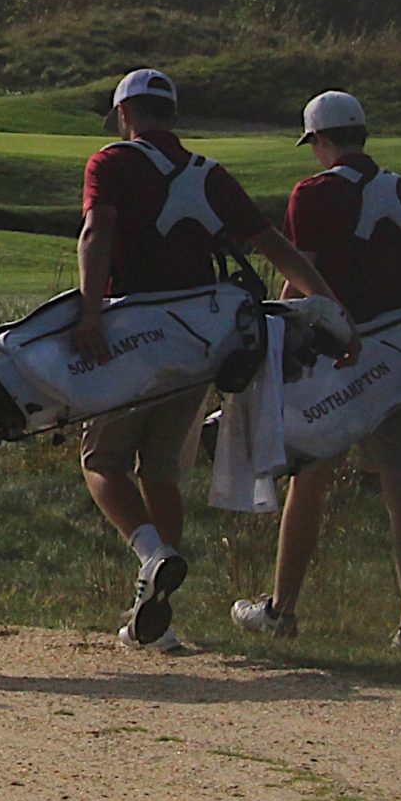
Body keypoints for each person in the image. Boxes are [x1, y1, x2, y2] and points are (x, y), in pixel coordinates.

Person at [77, 69, 344, 652]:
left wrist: (91, 312)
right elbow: (274, 245)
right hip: (200, 341)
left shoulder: (111, 163)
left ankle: (154, 555)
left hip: (132, 336)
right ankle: (159, 619)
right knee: (161, 472)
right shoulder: (208, 174)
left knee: (102, 462)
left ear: (125, 114)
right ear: (172, 116)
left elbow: (97, 233)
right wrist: (329, 306)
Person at [233, 91, 401, 651]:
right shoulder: (399, 189)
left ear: (322, 140)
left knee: (310, 483)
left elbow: (303, 275)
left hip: (334, 356)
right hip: (398, 355)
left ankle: (283, 609)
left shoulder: (314, 194)